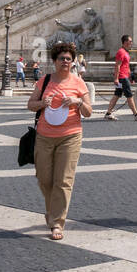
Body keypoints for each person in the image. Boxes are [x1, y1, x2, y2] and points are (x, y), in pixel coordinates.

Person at [26, 40, 91, 241]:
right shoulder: (44, 81)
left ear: (73, 62)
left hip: (70, 135)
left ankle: (57, 222)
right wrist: (41, 103)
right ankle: (52, 211)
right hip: (44, 136)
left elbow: (88, 112)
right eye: (62, 58)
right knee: (44, 179)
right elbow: (30, 105)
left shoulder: (78, 82)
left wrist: (78, 101)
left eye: (69, 59)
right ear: (54, 61)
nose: (65, 61)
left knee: (63, 180)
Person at [103, 34, 137, 121]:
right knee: (129, 96)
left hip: (125, 77)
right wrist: (116, 78)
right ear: (125, 42)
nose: (131, 43)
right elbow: (117, 65)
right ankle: (136, 114)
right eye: (130, 41)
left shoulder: (125, 52)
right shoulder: (121, 52)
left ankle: (108, 113)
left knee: (116, 95)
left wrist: (131, 78)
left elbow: (127, 66)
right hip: (122, 77)